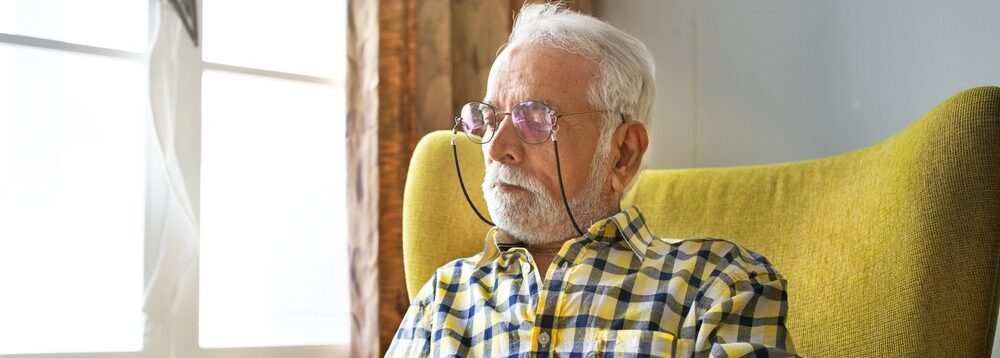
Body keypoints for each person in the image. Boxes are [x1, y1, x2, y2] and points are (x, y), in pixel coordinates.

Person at [387, 3, 797, 357]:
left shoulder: (720, 284)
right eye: (489, 119)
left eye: (534, 119)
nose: (496, 149)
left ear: (623, 153)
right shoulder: (440, 301)